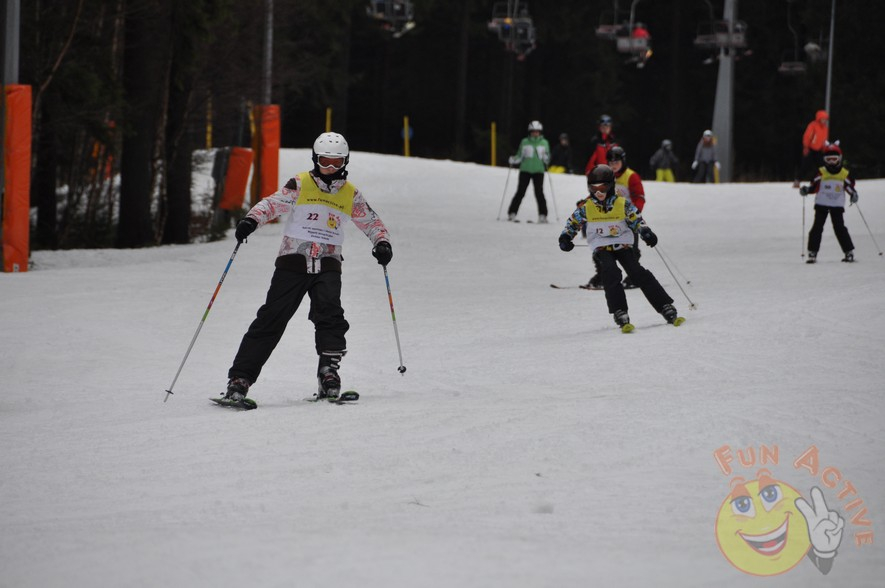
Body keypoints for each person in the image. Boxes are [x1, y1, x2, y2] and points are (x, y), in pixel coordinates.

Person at [222, 132, 392, 405]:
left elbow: (371, 221)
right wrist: (251, 220)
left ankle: (328, 373)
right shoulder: (300, 183)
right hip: (293, 262)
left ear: (345, 162)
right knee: (272, 317)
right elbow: (272, 204)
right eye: (325, 161)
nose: (330, 168)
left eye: (337, 162)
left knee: (330, 315)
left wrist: (381, 242)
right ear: (315, 159)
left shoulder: (350, 193)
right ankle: (240, 380)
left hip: (328, 264)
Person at [559, 164, 683, 331]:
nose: (598, 192)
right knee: (611, 273)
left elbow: (637, 219)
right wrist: (566, 237)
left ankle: (665, 306)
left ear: (611, 186)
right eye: (594, 188)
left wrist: (646, 232)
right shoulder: (586, 207)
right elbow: (573, 223)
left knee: (637, 272)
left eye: (603, 188)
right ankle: (620, 311)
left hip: (623, 245)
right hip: (602, 247)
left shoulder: (622, 204)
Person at [583, 145, 646, 290]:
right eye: (611, 162)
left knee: (631, 250)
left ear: (623, 161)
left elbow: (639, 197)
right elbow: (597, 193)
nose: (614, 165)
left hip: (628, 219)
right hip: (608, 219)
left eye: (616, 162)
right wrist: (585, 203)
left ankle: (634, 277)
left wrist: (634, 213)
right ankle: (602, 276)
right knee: (601, 248)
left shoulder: (631, 176)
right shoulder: (605, 175)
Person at [799, 141, 857, 264]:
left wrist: (853, 194)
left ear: (839, 159)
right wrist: (806, 190)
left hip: (837, 206)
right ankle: (812, 252)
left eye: (834, 159)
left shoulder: (844, 173)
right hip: (821, 205)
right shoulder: (821, 172)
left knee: (840, 228)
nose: (831, 162)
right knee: (817, 227)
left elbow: (849, 186)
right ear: (824, 160)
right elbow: (814, 187)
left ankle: (849, 252)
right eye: (828, 159)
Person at [507, 120, 551, 223]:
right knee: (520, 192)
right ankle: (512, 213)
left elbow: (547, 158)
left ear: (540, 132)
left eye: (537, 131)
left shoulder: (544, 142)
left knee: (539, 193)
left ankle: (543, 215)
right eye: (533, 131)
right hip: (525, 170)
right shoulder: (525, 142)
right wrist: (513, 160)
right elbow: (519, 156)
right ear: (530, 132)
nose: (535, 133)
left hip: (538, 171)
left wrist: (545, 157)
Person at [795, 110, 829, 188]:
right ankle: (797, 180)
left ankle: (820, 182)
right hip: (810, 149)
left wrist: (824, 148)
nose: (824, 121)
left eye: (825, 119)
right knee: (805, 166)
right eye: (823, 119)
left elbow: (824, 139)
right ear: (819, 118)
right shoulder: (813, 125)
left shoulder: (825, 128)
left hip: (819, 150)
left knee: (822, 167)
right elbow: (807, 137)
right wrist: (806, 147)